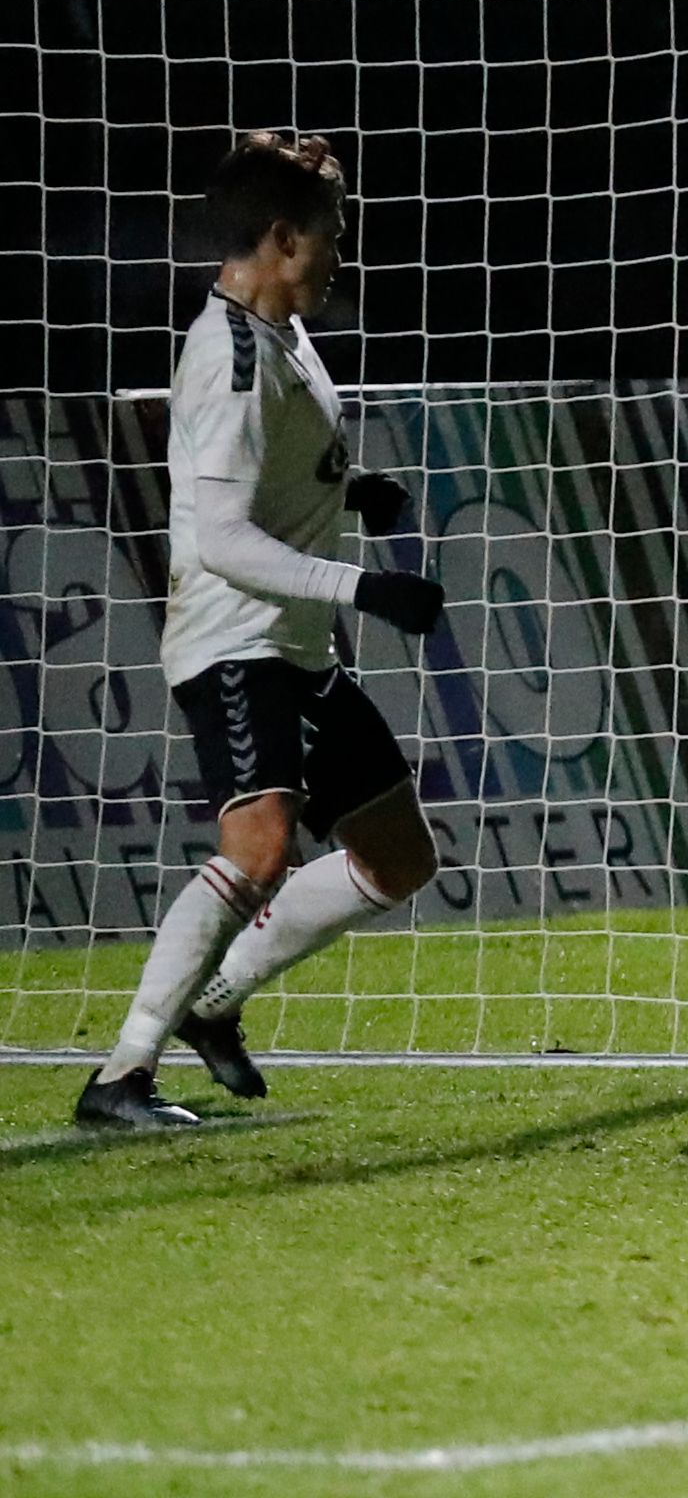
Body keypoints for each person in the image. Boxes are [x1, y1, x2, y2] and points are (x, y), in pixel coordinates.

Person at [75, 131, 448, 1131]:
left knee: (397, 856)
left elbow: (269, 477)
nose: (340, 250)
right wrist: (364, 586)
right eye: (330, 232)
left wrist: (345, 487)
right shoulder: (233, 360)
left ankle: (215, 999)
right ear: (282, 237)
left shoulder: (281, 329)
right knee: (260, 844)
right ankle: (120, 1074)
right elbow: (226, 540)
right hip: (235, 642)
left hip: (294, 646)